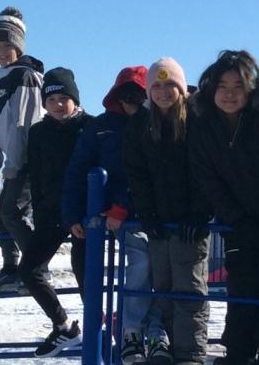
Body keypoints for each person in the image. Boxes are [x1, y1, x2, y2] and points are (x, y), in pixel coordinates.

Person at [61, 66, 166, 364]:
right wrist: (72, 215)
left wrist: (124, 205)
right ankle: (131, 329)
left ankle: (156, 330)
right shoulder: (101, 127)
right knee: (142, 260)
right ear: (116, 95)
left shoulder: (157, 124)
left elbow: (154, 173)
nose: (132, 101)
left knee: (162, 267)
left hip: (151, 210)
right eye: (126, 94)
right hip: (114, 213)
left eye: (138, 94)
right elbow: (77, 170)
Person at [190, 50, 259, 365]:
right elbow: (207, 178)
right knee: (242, 293)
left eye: (238, 86)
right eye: (222, 85)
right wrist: (235, 218)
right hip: (238, 224)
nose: (229, 93)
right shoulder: (204, 126)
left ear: (251, 90)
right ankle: (238, 356)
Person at [125, 57, 211, 365]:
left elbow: (205, 170)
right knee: (163, 287)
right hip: (160, 221)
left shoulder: (197, 119)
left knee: (189, 288)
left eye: (170, 85)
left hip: (190, 222)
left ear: (181, 87)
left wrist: (200, 212)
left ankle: (191, 354)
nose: (163, 92)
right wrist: (147, 214)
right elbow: (138, 173)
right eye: (156, 86)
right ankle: (169, 348)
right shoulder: (141, 125)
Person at [17, 67, 91, 357]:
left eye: (64, 98)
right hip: (50, 213)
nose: (59, 105)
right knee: (29, 270)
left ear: (75, 98)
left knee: (85, 273)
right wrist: (39, 211)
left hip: (85, 215)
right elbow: (35, 175)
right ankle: (62, 326)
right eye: (52, 99)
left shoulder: (90, 126)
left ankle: (98, 335)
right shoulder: (38, 132)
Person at [0, 6, 47, 294]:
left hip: (30, 159)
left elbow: (24, 124)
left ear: (18, 46)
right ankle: (11, 267)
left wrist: (13, 165)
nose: (1, 51)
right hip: (12, 161)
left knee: (12, 213)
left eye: (8, 45)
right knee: (3, 215)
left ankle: (36, 267)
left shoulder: (26, 76)